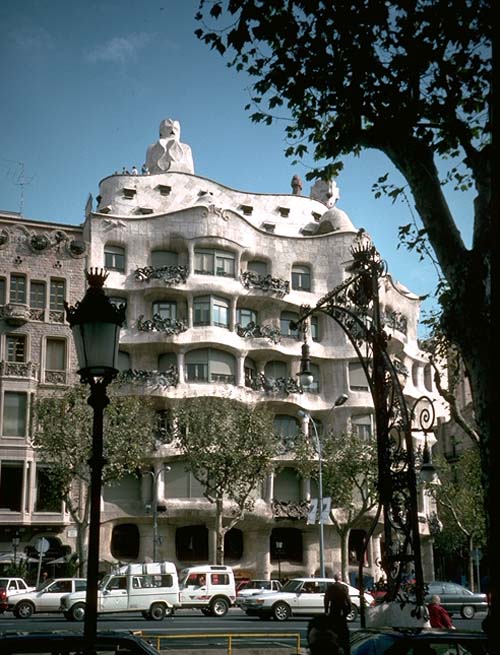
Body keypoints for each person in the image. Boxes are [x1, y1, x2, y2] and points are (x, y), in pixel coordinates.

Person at [324, 572, 352, 654]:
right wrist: (348, 609)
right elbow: (348, 599)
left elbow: (326, 600)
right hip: (342, 610)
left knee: (333, 629)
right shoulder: (344, 587)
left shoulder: (330, 587)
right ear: (340, 579)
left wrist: (326, 610)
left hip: (333, 609)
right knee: (343, 630)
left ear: (334, 579)